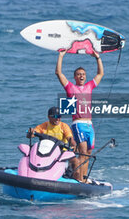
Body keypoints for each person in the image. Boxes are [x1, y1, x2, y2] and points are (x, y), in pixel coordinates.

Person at [55, 49, 104, 183]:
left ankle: (84, 178)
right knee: (82, 151)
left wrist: (97, 58)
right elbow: (58, 73)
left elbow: (100, 74)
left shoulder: (89, 86)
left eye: (83, 74)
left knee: (88, 153)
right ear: (75, 77)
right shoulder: (70, 88)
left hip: (90, 125)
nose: (81, 76)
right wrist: (61, 55)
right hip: (78, 124)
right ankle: (80, 180)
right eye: (78, 74)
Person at [27, 107, 80, 180]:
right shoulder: (43, 126)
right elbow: (31, 135)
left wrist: (73, 145)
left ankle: (77, 181)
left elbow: (70, 138)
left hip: (61, 152)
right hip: (45, 151)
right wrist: (30, 132)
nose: (57, 119)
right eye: (55, 117)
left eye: (59, 116)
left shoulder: (63, 126)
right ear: (49, 117)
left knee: (75, 161)